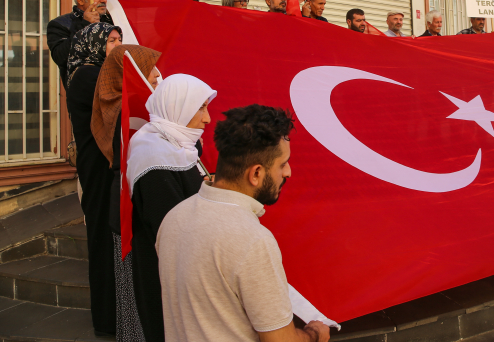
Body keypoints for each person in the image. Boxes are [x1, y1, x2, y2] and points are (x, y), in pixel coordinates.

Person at [157, 105, 331, 342]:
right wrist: (314, 334)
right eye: (282, 164)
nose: (288, 172)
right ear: (256, 173)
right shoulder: (253, 240)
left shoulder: (174, 217)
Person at [126, 74, 217, 342]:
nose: (207, 118)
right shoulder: (155, 157)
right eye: (200, 107)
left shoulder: (178, 145)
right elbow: (172, 231)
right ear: (178, 106)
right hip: (168, 277)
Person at [92, 45, 161, 342]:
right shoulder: (127, 109)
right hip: (128, 208)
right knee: (134, 289)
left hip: (130, 205)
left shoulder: (134, 104)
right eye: (150, 69)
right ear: (131, 74)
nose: (158, 74)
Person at [66, 22, 123, 336]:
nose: (116, 45)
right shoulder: (89, 74)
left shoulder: (100, 72)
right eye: (110, 40)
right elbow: (116, 105)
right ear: (94, 44)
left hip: (106, 164)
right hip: (98, 167)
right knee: (102, 237)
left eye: (119, 39)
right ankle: (107, 318)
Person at [48, 0, 114, 87]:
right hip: (84, 94)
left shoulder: (111, 21)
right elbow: (61, 57)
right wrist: (85, 25)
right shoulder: (60, 24)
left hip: (113, 91)